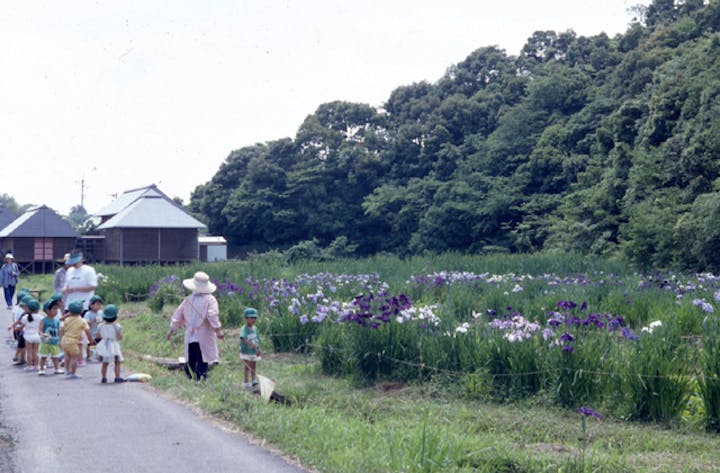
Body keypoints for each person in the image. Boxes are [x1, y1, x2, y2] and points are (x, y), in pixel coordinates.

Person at [166, 271, 224, 382]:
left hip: (191, 334)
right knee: (203, 357)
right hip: (204, 334)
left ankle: (191, 378)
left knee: (191, 357)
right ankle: (200, 378)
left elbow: (178, 315)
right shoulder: (210, 300)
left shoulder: (188, 299)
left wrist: (171, 330)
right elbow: (212, 315)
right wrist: (218, 330)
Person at [60, 301, 94, 379]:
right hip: (73, 341)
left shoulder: (67, 319)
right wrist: (90, 339)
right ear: (82, 311)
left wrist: (61, 338)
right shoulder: (82, 321)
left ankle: (67, 370)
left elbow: (62, 329)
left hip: (65, 339)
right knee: (75, 357)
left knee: (67, 355)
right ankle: (73, 373)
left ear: (69, 311)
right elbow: (87, 330)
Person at [95, 304, 125, 384]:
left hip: (104, 345)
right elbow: (119, 337)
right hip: (113, 344)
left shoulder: (100, 326)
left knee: (105, 363)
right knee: (117, 361)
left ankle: (104, 378)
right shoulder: (117, 326)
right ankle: (117, 377)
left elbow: (98, 336)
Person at [38, 298, 64, 375]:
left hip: (54, 341)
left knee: (55, 356)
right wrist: (41, 334)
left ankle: (57, 368)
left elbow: (59, 330)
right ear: (47, 311)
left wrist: (60, 339)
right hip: (45, 342)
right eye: (54, 309)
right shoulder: (44, 320)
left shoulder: (57, 321)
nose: (56, 311)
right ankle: (42, 369)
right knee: (43, 356)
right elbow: (40, 329)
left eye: (57, 309)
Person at [15, 298, 42, 371]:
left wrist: (17, 328)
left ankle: (30, 366)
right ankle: (37, 365)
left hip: (28, 336)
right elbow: (42, 327)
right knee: (36, 351)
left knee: (29, 351)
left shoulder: (25, 317)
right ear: (38, 309)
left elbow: (22, 326)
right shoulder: (41, 317)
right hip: (37, 336)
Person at [240, 307, 262, 390]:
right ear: (246, 318)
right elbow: (242, 338)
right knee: (247, 366)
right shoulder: (244, 329)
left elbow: (257, 339)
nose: (253, 320)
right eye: (251, 318)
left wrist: (259, 349)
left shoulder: (255, 329)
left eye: (255, 318)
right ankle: (246, 382)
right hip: (246, 352)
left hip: (254, 352)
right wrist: (249, 344)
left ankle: (253, 380)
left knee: (254, 365)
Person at [84, 295, 103, 361]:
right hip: (91, 332)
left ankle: (100, 355)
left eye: (100, 305)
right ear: (91, 305)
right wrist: (93, 321)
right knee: (89, 344)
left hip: (98, 332)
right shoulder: (88, 314)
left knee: (100, 343)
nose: (99, 306)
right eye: (97, 304)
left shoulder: (100, 313)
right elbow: (85, 323)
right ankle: (88, 355)